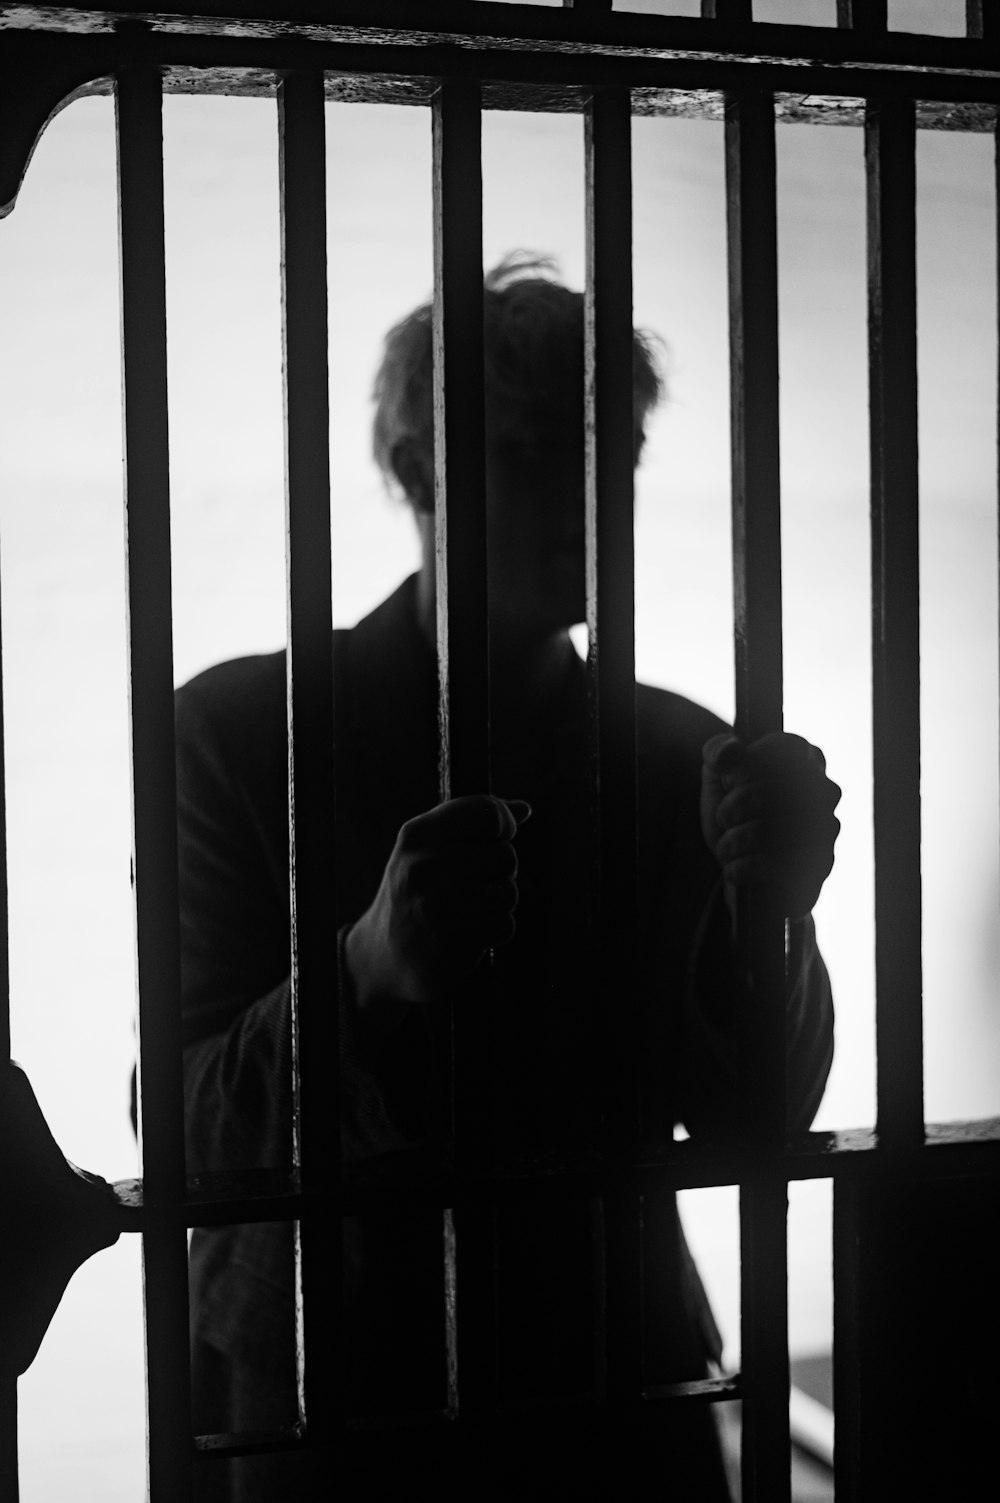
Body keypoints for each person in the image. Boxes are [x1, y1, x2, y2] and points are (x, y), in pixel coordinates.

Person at [179, 254, 839, 1500]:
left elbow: (760, 1123)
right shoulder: (234, 734)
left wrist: (774, 912)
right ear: (421, 470)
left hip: (613, 1392)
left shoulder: (674, 751)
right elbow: (184, 1122)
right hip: (336, 1410)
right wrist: (363, 972)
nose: (588, 498)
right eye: (539, 452)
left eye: (614, 458)